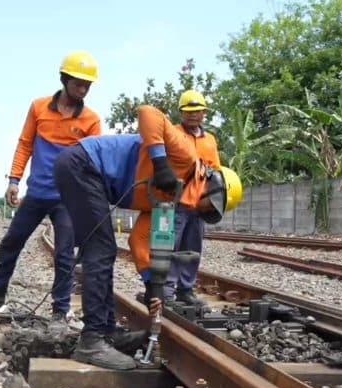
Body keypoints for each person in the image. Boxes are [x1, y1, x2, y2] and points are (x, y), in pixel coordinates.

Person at [53, 105, 242, 370]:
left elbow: (139, 241)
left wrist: (152, 283)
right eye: (209, 207)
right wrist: (161, 164)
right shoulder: (186, 157)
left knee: (105, 249)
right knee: (102, 249)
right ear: (213, 189)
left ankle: (107, 332)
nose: (201, 210)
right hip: (81, 163)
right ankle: (92, 341)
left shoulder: (168, 201)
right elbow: (148, 113)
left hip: (86, 172)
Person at [0, 51, 101, 338]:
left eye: (88, 84)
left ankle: (60, 312)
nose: (84, 89)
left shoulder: (90, 120)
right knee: (12, 240)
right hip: (37, 192)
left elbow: (93, 160)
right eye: (79, 83)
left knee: (64, 254)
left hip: (68, 198)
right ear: (65, 79)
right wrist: (14, 180)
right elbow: (25, 144)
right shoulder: (39, 108)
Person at [164, 90, 221, 308]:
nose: (193, 115)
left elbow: (215, 171)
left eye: (197, 111)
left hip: (199, 206)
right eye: (188, 112)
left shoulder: (210, 141)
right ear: (180, 113)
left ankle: (185, 290)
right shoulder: (173, 135)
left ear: (204, 113)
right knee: (169, 247)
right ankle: (167, 291)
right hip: (174, 204)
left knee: (192, 249)